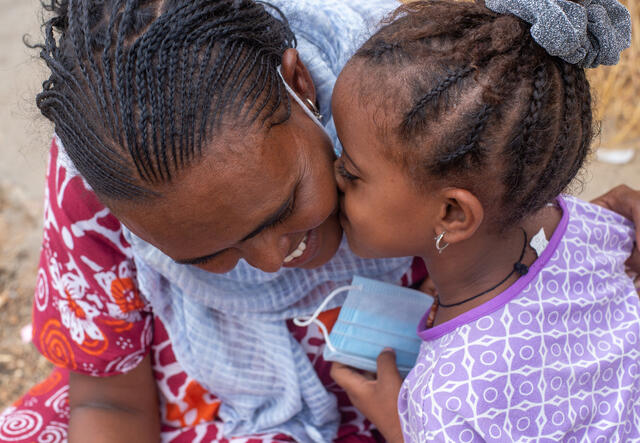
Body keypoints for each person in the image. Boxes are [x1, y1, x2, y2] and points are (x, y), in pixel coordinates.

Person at [0, 0, 637, 442]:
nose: (275, 259)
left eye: (282, 207)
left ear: (299, 80)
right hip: (224, 409)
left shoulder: (410, 97)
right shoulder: (101, 185)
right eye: (204, 255)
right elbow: (107, 400)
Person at [328, 0, 640, 441]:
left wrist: (401, 428)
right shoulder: (597, 225)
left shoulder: (441, 403)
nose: (335, 174)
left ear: (452, 214)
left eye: (353, 173)